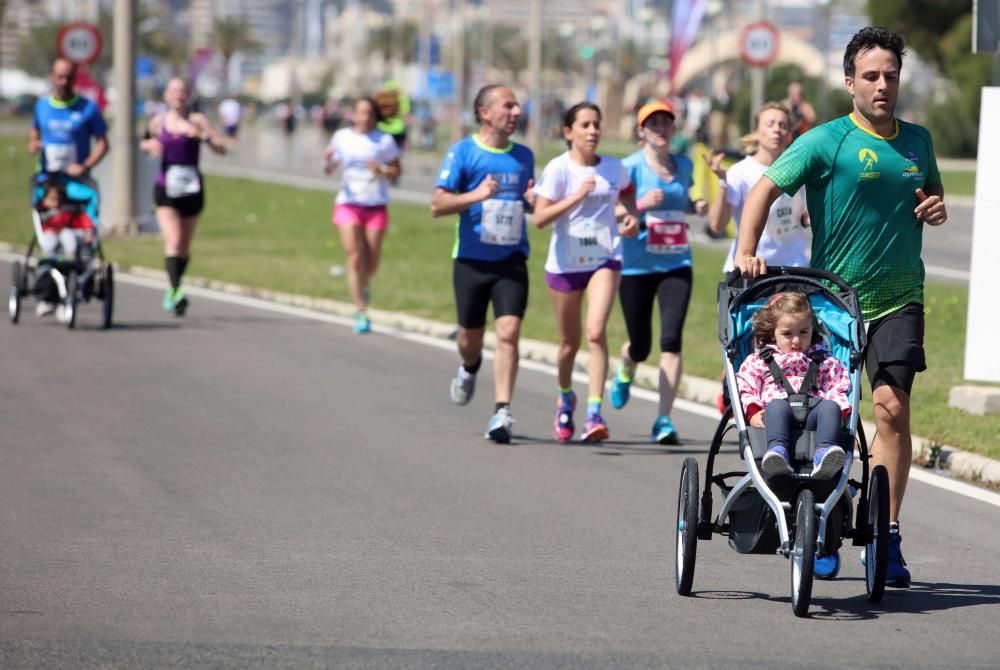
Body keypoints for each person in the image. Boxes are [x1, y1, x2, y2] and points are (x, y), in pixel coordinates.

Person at [734, 26, 948, 588]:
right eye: (871, 76)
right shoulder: (824, 140)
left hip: (902, 295)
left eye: (891, 76)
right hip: (835, 301)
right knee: (834, 414)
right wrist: (746, 251)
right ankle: (823, 524)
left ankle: (887, 533)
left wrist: (933, 208)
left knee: (892, 411)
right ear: (850, 81)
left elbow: (929, 194)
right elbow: (764, 190)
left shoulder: (918, 141)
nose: (883, 85)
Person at [430, 84, 535, 444]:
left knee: (508, 333)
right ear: (484, 112)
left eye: (518, 105)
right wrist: (478, 195)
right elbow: (437, 205)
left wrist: (534, 200)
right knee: (469, 339)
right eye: (508, 105)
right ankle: (469, 366)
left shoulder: (524, 156)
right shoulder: (463, 153)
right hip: (472, 261)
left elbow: (528, 201)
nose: (517, 112)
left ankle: (502, 411)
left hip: (511, 261)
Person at [532, 102, 640, 443]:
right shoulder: (558, 169)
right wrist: (577, 196)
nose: (593, 131)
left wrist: (630, 217)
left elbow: (626, 195)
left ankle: (594, 412)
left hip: (604, 258)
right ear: (569, 132)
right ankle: (566, 396)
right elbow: (540, 218)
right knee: (569, 344)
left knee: (595, 332)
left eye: (597, 124)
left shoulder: (614, 167)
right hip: (564, 265)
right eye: (585, 125)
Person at [607, 101, 704, 444]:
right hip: (637, 266)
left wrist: (697, 206)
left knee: (671, 340)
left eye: (666, 123)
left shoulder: (685, 165)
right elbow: (613, 208)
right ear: (641, 132)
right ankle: (626, 367)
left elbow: (684, 201)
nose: (661, 129)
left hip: (677, 263)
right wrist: (638, 206)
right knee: (642, 345)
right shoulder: (630, 168)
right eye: (654, 124)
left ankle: (664, 419)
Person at [705, 101, 810, 413]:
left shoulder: (799, 170)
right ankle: (739, 396)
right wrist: (722, 182)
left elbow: (803, 215)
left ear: (789, 133)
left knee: (790, 344)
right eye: (770, 123)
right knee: (747, 343)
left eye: (782, 124)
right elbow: (716, 224)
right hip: (750, 272)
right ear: (757, 131)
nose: (777, 129)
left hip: (792, 271)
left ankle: (784, 408)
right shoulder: (741, 172)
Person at [735, 292, 851, 479]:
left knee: (830, 406)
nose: (796, 341)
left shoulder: (825, 360)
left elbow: (837, 387)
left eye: (803, 332)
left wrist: (843, 415)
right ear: (772, 333)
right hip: (775, 416)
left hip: (815, 415)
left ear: (812, 330)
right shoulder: (760, 361)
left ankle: (824, 454)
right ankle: (777, 452)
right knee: (776, 406)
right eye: (787, 334)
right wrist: (753, 411)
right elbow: (746, 386)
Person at [139, 78, 227, 316]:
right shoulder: (158, 122)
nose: (178, 95)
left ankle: (172, 287)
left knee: (185, 247)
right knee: (174, 240)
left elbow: (221, 148)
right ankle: (176, 292)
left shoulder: (197, 121)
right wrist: (150, 146)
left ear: (188, 95)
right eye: (174, 91)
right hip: (166, 189)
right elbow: (142, 142)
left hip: (192, 188)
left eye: (183, 91)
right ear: (166, 95)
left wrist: (203, 137)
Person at [323, 97, 402, 334]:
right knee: (355, 255)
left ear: (375, 115)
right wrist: (327, 162)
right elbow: (330, 167)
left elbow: (397, 171)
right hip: (348, 203)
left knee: (372, 260)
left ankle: (363, 283)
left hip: (375, 204)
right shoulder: (342, 137)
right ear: (353, 115)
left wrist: (382, 170)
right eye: (360, 112)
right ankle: (361, 310)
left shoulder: (384, 140)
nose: (365, 117)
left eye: (369, 113)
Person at [28, 57, 109, 222]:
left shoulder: (89, 107)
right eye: (60, 77)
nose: (64, 82)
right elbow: (34, 129)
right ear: (52, 77)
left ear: (74, 78)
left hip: (76, 182)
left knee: (76, 236)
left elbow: (103, 144)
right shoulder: (41, 105)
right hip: (47, 180)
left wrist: (85, 166)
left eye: (69, 77)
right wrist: (33, 142)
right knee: (50, 235)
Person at [33, 182, 96, 319]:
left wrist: (88, 233)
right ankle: (47, 301)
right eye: (52, 199)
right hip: (51, 258)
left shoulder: (70, 213)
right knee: (50, 242)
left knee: (68, 235)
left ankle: (64, 306)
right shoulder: (43, 213)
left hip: (69, 261)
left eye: (58, 200)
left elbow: (86, 224)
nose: (56, 203)